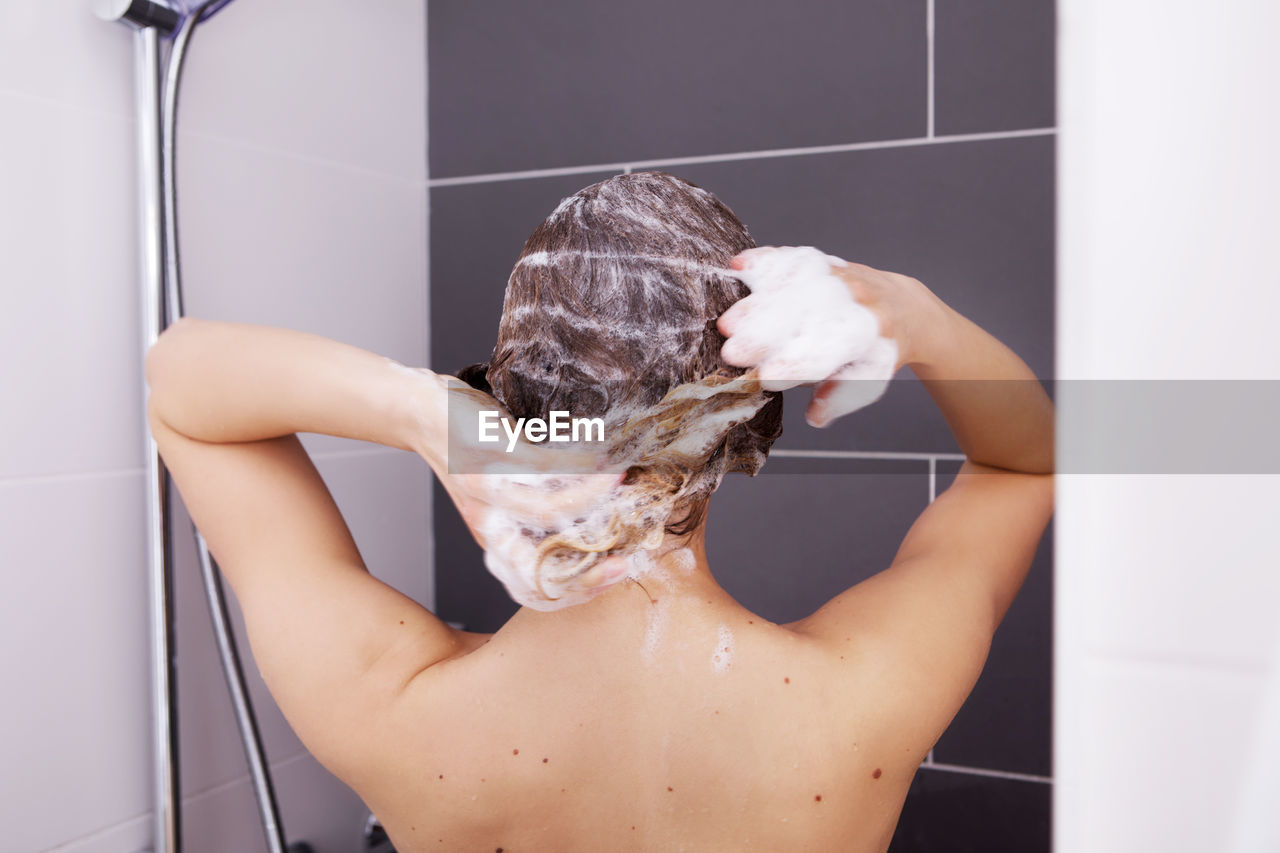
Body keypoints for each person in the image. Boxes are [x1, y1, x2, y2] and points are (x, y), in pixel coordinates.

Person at [146, 172, 1053, 852]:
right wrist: (913, 312)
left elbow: (181, 383)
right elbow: (1028, 463)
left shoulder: (394, 705)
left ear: (504, 399)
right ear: (749, 423)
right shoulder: (861, 701)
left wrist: (424, 412)